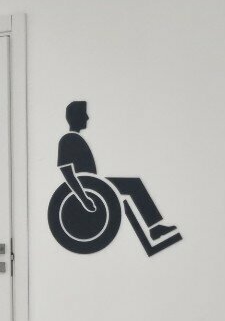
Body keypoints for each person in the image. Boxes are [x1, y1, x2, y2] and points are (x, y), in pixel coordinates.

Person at [58, 101, 176, 240]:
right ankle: (154, 229)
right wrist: (83, 198)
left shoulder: (75, 138)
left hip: (93, 184)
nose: (88, 118)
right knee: (134, 185)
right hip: (89, 187)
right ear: (76, 117)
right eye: (84, 114)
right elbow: (66, 172)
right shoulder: (68, 139)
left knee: (134, 185)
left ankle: (154, 229)